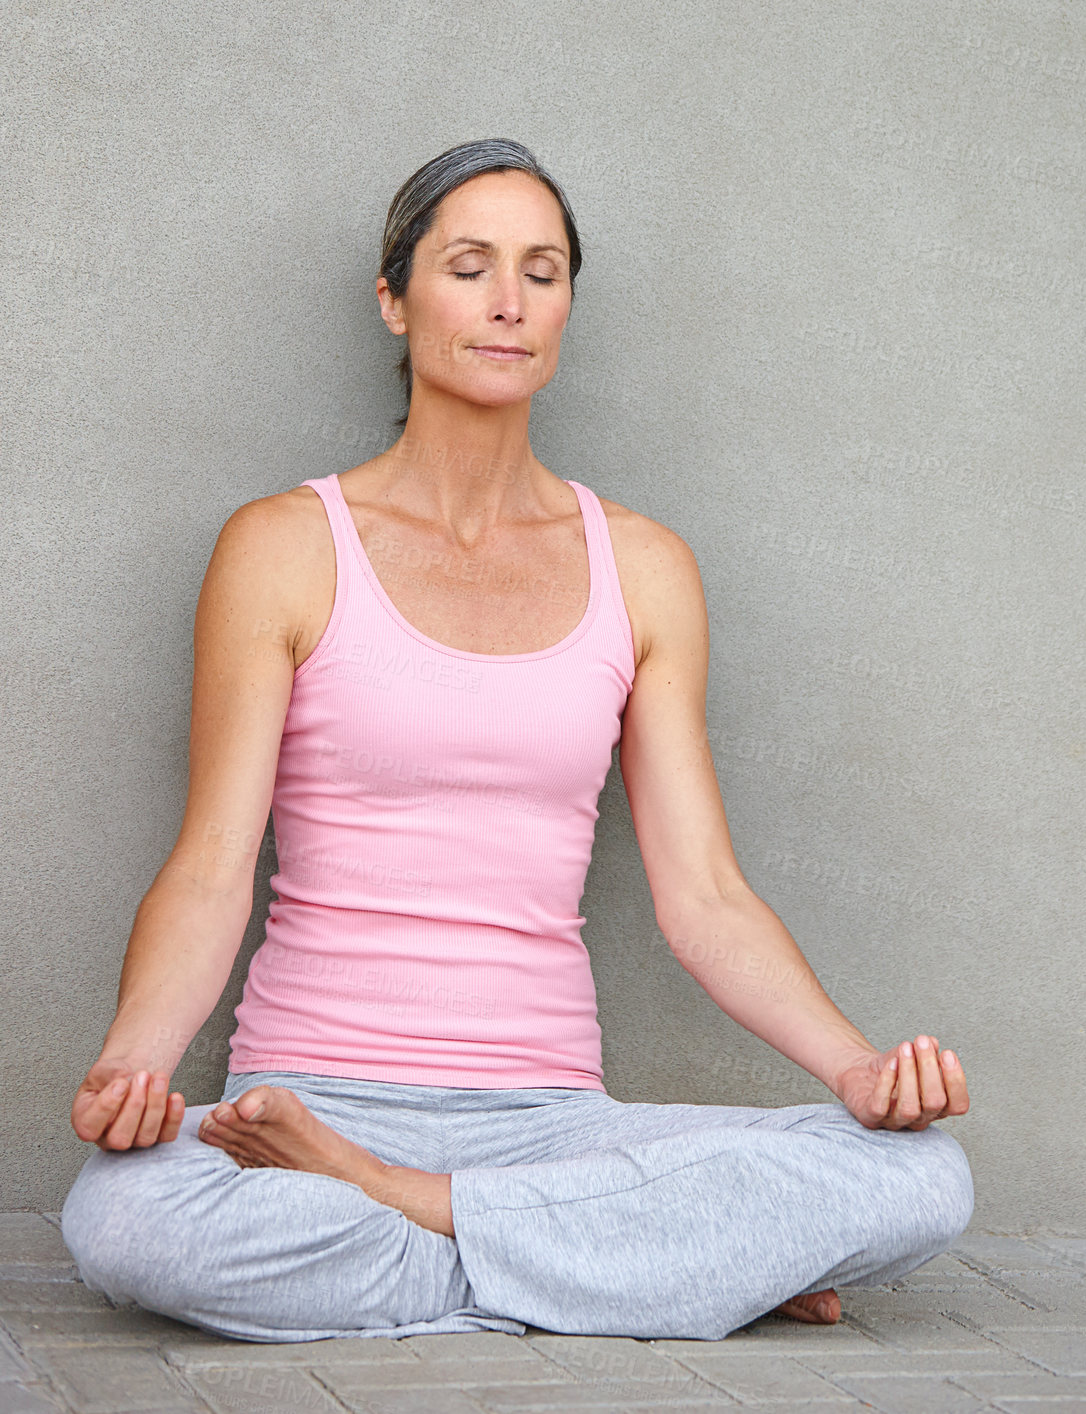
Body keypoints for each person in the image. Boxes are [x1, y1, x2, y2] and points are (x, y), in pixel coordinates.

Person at [59, 138, 974, 1343]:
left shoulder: (644, 567)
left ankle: (423, 1211)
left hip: (550, 1121)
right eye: (469, 264)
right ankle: (635, 1264)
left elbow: (702, 896)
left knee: (920, 1177)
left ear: (565, 309)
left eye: (541, 272)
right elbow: (211, 866)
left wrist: (858, 1074)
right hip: (309, 1104)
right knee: (125, 1217)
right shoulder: (282, 545)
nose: (506, 300)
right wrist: (131, 1071)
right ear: (395, 299)